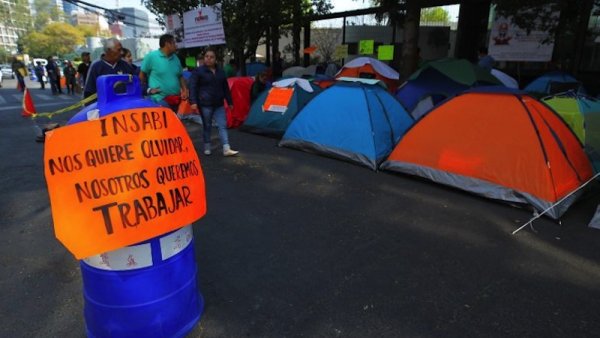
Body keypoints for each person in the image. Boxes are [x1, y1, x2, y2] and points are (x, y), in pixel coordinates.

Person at [189, 47, 239, 157]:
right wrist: (193, 101)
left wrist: (230, 102)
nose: (208, 59)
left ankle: (226, 148)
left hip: (219, 104)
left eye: (211, 57)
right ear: (204, 58)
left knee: (222, 125)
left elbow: (225, 87)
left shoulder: (221, 72)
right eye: (207, 57)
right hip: (205, 104)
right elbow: (192, 86)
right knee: (207, 126)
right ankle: (207, 146)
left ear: (215, 59)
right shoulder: (199, 71)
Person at [139, 34, 187, 111]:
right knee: (164, 121)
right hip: (159, 99)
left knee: (172, 121)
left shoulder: (176, 58)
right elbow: (141, 75)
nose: (176, 45)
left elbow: (180, 76)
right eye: (174, 43)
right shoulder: (151, 57)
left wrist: (184, 90)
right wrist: (147, 89)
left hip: (175, 99)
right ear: (167, 44)